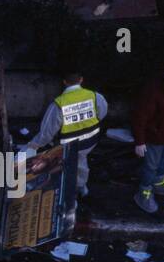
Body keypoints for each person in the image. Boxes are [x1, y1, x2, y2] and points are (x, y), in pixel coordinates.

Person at [25, 70, 107, 199]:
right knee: (81, 161)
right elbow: (102, 112)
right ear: (81, 80)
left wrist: (32, 146)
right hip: (92, 140)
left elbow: (47, 133)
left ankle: (73, 194)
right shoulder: (94, 96)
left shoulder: (59, 103)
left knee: (71, 166)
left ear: (64, 82)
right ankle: (82, 187)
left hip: (71, 145)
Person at [131, 64, 164, 215]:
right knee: (151, 166)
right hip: (154, 137)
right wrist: (140, 141)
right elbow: (140, 117)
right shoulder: (152, 91)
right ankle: (143, 192)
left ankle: (159, 182)